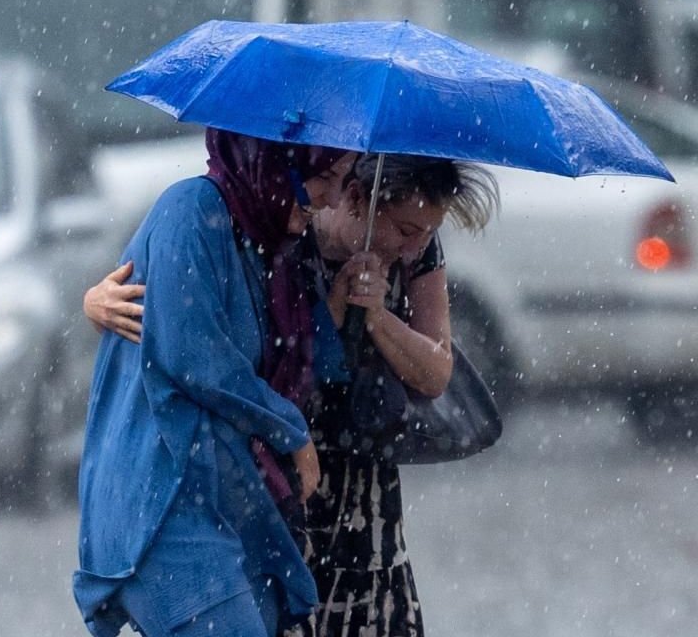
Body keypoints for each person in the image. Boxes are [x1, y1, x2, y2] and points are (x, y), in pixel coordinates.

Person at [84, 153, 499, 636]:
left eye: (429, 232)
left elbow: (435, 371)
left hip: (358, 473)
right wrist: (96, 305)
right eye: (407, 230)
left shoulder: (416, 251)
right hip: (278, 468)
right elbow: (198, 332)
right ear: (358, 199)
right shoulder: (281, 224)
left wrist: (376, 316)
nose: (416, 246)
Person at [73, 127, 356, 637]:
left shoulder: (271, 243)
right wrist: (290, 430)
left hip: (232, 504)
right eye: (325, 176)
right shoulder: (191, 211)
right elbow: (194, 356)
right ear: (274, 160)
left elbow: (302, 361)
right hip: (163, 507)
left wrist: (355, 301)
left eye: (344, 180)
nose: (333, 198)